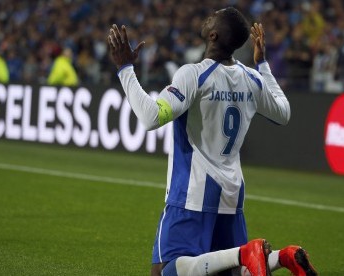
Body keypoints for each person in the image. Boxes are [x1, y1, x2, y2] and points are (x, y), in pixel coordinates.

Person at [108, 7, 317, 276]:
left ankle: (246, 252)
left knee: (163, 271)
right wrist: (262, 64)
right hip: (232, 193)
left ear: (214, 35)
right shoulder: (252, 78)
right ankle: (283, 257)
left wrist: (125, 68)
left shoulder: (194, 74)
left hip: (192, 193)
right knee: (227, 270)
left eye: (213, 17)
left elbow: (151, 117)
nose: (207, 17)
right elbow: (283, 112)